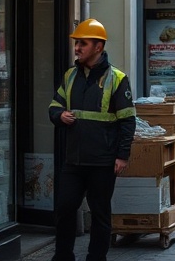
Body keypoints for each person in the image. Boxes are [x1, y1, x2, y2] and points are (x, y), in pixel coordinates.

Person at [49, 18, 135, 261]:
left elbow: (127, 120)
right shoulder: (70, 76)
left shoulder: (117, 78)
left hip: (103, 161)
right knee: (64, 209)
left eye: (82, 44)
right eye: (76, 43)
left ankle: (96, 258)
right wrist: (59, 115)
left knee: (99, 214)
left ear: (98, 47)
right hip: (74, 160)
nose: (77, 48)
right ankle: (62, 257)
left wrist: (122, 155)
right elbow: (55, 105)